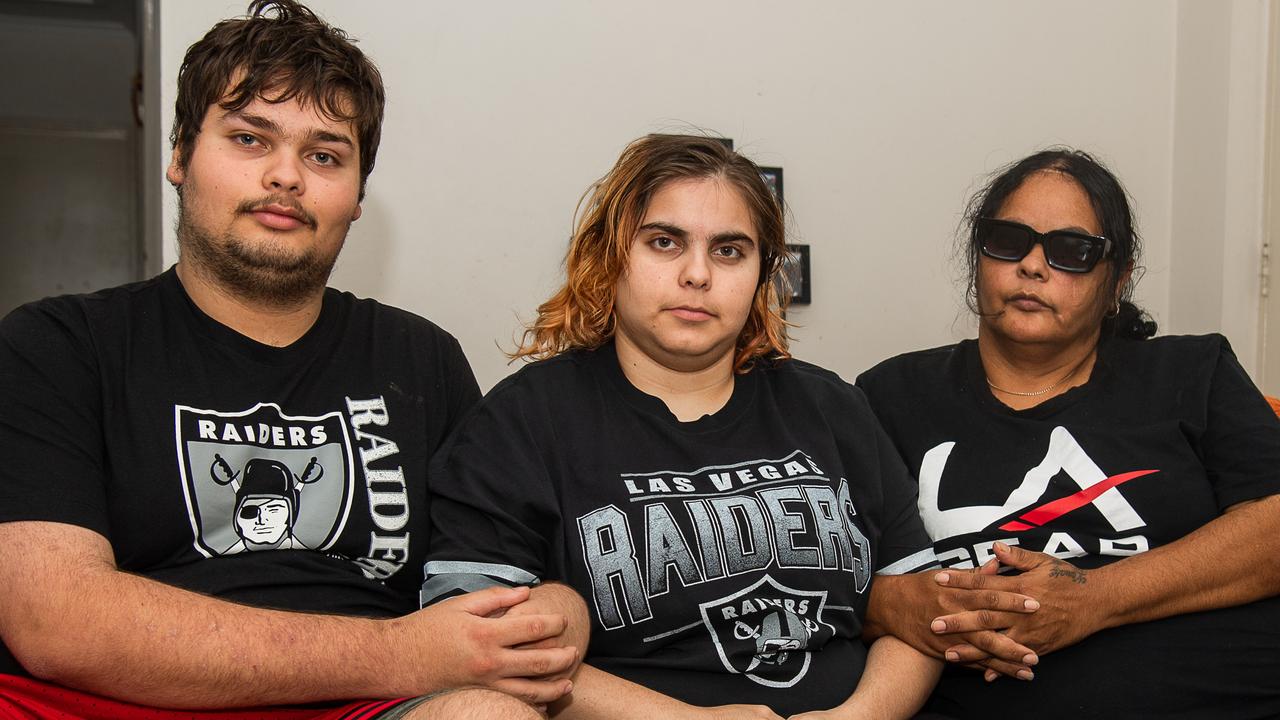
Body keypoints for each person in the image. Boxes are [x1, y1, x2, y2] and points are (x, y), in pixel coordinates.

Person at [0, 2, 586, 717]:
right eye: (250, 138)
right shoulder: (54, 347)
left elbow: (497, 581)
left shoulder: (422, 358)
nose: (286, 176)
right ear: (180, 155)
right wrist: (402, 652)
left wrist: (554, 611)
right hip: (112, 700)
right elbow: (55, 621)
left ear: (358, 196)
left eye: (324, 155)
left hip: (363, 706)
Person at [422, 134, 944, 719]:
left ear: (763, 274)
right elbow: (479, 652)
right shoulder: (522, 422)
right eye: (665, 242)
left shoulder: (834, 409)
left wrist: (859, 718)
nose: (698, 274)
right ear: (610, 255)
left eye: (729, 251)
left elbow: (917, 615)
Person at [857, 148, 1280, 718]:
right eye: (1008, 240)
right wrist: (892, 606)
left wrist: (1097, 599)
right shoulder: (890, 394)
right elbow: (817, 572)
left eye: (1072, 251)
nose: (1033, 265)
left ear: (1117, 279)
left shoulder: (1192, 373)